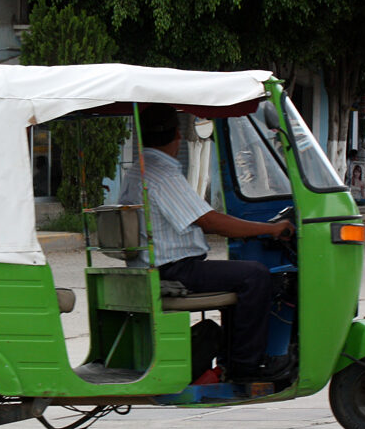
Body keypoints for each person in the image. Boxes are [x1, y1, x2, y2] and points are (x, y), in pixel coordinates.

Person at [118, 104, 295, 380]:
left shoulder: (138, 171)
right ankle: (247, 366)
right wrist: (270, 229)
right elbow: (210, 221)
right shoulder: (162, 174)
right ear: (178, 134)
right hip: (172, 270)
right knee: (256, 276)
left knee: (240, 273)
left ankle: (232, 360)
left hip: (157, 266)